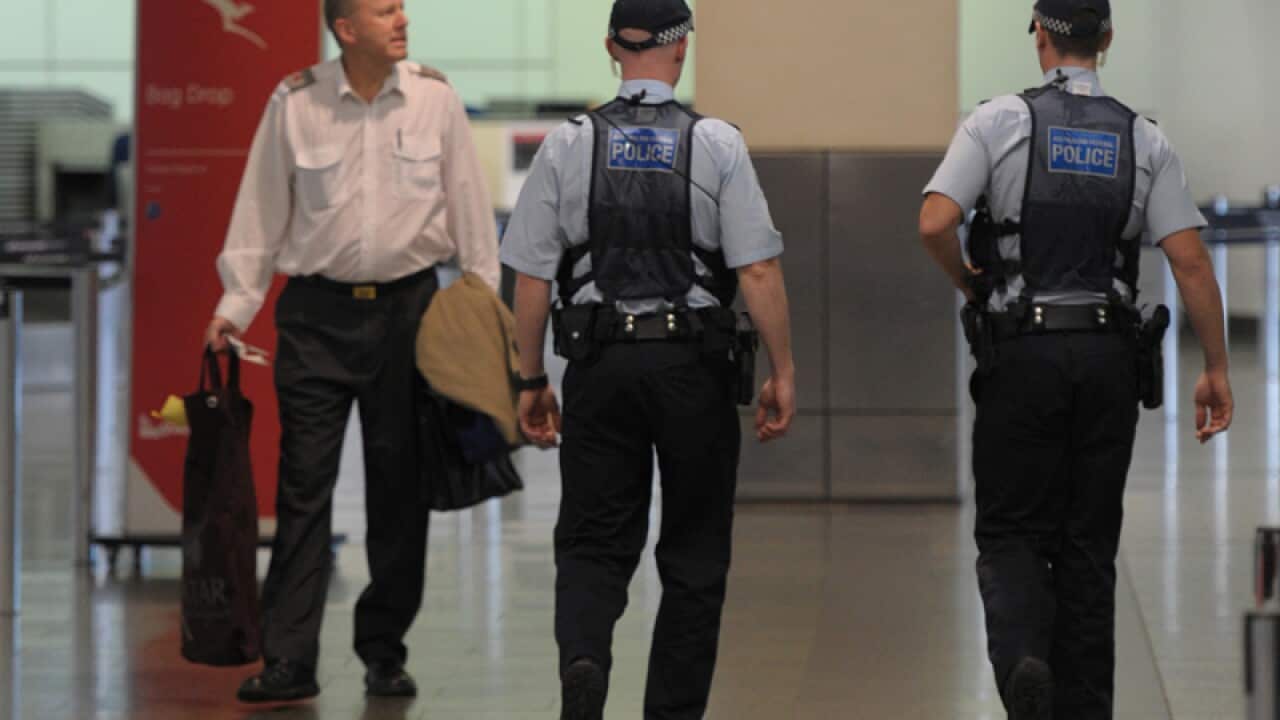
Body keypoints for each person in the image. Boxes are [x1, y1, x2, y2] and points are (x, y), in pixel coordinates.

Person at [918, 2, 1233, 717]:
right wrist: (1215, 368)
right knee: (1089, 546)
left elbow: (934, 220)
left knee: (1011, 530)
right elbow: (1188, 262)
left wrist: (969, 280)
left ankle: (1024, 659)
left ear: (1040, 32)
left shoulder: (997, 121)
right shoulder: (1144, 138)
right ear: (1107, 39)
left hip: (1021, 354)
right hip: (1107, 356)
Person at [501, 0, 796, 717]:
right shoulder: (717, 142)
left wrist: (531, 378)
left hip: (600, 365)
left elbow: (531, 277)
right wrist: (783, 371)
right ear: (681, 47)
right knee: (694, 552)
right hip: (694, 368)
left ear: (612, 47)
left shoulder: (568, 144)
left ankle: (584, 658)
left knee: (593, 539)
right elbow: (757, 270)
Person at [205, 0, 499, 703]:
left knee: (400, 492)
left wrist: (485, 311)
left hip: (410, 316)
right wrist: (234, 306)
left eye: (401, 8)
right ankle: (289, 659)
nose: (403, 19)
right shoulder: (295, 102)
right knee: (303, 488)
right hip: (316, 319)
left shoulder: (434, 99)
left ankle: (384, 650)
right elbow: (259, 210)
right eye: (384, 9)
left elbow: (470, 210)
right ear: (345, 29)